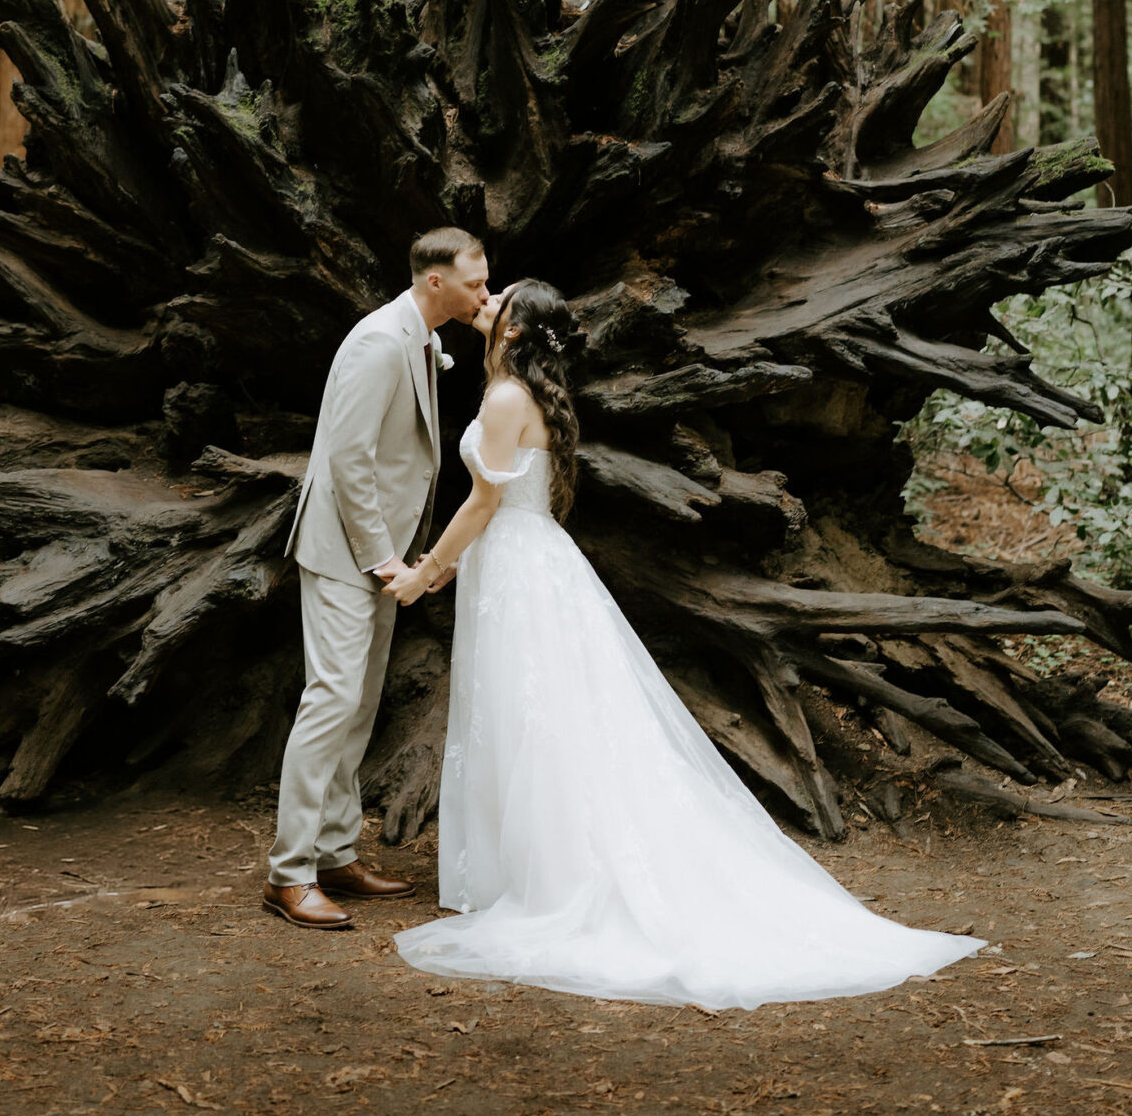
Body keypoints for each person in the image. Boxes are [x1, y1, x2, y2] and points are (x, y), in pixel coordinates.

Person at [384, 279, 986, 1009]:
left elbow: (482, 501)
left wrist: (425, 573)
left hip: (516, 561)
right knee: (529, 716)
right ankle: (524, 867)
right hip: (520, 558)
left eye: (501, 299)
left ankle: (556, 877)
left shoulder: (507, 399)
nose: (490, 301)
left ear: (512, 332)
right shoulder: (518, 393)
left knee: (536, 718)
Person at [263, 228, 491, 930]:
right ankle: (288, 874)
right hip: (345, 552)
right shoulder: (378, 340)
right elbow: (347, 458)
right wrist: (382, 558)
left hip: (382, 549)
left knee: (358, 703)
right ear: (434, 283)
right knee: (330, 699)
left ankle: (334, 853)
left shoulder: (420, 334)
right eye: (475, 283)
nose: (484, 294)